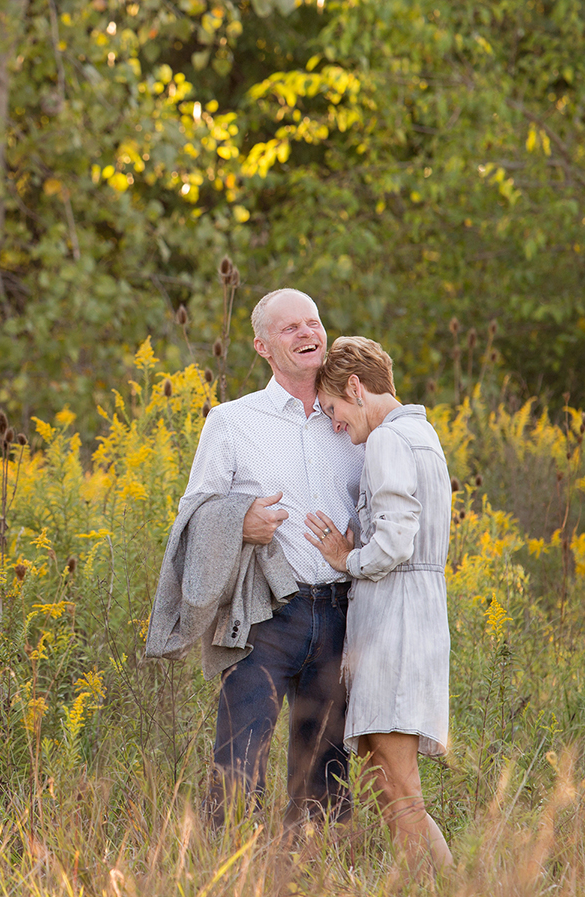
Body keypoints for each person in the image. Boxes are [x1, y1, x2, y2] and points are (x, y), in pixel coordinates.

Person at [149, 287, 363, 829]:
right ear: (263, 346)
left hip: (341, 613)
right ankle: (225, 871)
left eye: (313, 322)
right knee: (238, 765)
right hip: (264, 614)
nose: (308, 334)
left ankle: (314, 877)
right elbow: (192, 515)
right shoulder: (232, 421)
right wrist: (239, 519)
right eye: (290, 328)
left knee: (326, 772)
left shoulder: (354, 420)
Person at [302, 335, 454, 874]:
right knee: (382, 781)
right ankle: (447, 884)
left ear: (356, 386)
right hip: (412, 616)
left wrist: (346, 558)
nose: (336, 423)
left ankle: (442, 887)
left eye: (335, 410)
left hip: (396, 624)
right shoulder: (422, 434)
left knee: (397, 784)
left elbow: (395, 542)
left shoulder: (390, 442)